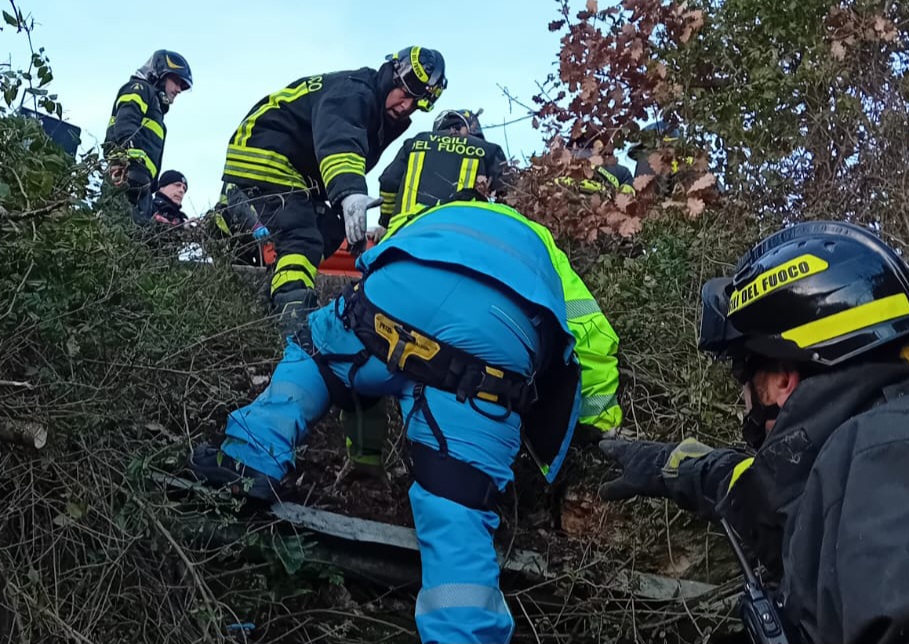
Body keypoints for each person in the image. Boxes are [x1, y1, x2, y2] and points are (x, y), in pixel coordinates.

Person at [190, 198, 621, 644]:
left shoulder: (439, 215)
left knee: (316, 349)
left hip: (396, 305)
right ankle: (463, 632)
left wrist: (367, 453)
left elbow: (377, 266)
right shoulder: (546, 252)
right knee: (457, 515)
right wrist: (592, 432)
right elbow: (593, 343)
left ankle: (248, 459)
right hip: (490, 355)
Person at [598, 220, 909, 644]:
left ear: (783, 379)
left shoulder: (887, 455)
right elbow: (765, 493)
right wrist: (667, 466)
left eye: (743, 379)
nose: (743, 402)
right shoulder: (857, 454)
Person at [215, 46, 448, 333]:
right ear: (393, 73)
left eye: (420, 102)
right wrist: (349, 192)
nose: (407, 105)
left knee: (333, 229)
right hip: (265, 151)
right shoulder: (355, 92)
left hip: (298, 171)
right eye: (407, 91)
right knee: (302, 236)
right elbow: (340, 140)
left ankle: (257, 260)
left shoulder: (377, 110)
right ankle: (293, 315)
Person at [373, 108, 509, 238]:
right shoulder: (490, 150)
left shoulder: (417, 141)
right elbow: (510, 196)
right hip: (460, 235)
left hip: (404, 231)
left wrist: (386, 223)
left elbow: (389, 182)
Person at [103, 50, 192, 223]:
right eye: (176, 81)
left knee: (139, 236)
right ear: (159, 74)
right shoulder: (140, 89)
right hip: (125, 178)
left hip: (141, 186)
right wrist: (133, 162)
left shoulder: (157, 114)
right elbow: (126, 121)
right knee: (119, 232)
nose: (179, 89)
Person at [554, 132, 635, 196]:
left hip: (606, 207)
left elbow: (628, 193)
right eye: (574, 148)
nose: (577, 151)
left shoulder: (620, 171)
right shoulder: (563, 168)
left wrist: (607, 191)